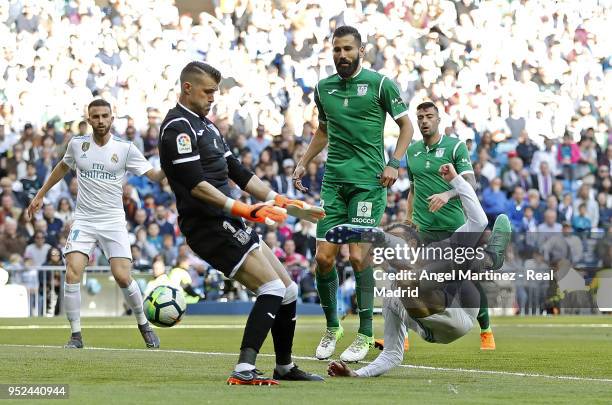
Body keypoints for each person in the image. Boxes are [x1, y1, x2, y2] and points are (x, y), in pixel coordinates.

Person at [158, 61, 323, 385]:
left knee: (288, 290)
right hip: (207, 224)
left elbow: (239, 173)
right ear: (187, 88)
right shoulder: (177, 127)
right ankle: (244, 368)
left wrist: (284, 203)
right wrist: (244, 210)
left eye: (215, 93)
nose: (212, 98)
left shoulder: (208, 126)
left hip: (227, 219)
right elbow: (196, 185)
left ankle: (285, 367)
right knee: (272, 287)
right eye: (207, 92)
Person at [292, 25, 414, 362]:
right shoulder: (323, 88)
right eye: (337, 50)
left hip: (368, 183)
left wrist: (395, 162)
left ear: (361, 51)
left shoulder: (380, 85)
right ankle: (333, 327)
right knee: (323, 259)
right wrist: (304, 162)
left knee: (359, 256)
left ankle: (364, 333)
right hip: (334, 183)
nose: (342, 55)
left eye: (348, 49)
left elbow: (407, 126)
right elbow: (324, 129)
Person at [325, 164, 511, 378]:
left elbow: (479, 221)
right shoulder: (392, 298)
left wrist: (456, 181)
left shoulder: (437, 251)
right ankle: (490, 259)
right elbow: (392, 355)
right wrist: (357, 374)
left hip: (462, 305)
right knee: (408, 279)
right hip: (438, 324)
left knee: (442, 258)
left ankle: (490, 259)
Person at [27, 99, 166, 350]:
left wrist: (169, 164)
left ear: (112, 119)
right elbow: (62, 166)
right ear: (88, 119)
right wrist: (40, 194)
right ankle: (76, 335)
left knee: (123, 276)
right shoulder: (77, 145)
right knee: (72, 272)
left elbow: (153, 176)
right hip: (84, 219)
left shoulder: (125, 148)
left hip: (113, 220)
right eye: (96, 116)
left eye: (105, 116)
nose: (101, 120)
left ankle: (143, 323)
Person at [405, 101, 496, 350]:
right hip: (424, 230)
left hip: (454, 227)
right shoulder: (411, 151)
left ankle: (486, 330)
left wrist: (447, 194)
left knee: (464, 280)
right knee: (410, 280)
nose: (424, 121)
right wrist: (408, 219)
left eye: (429, 116)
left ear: (438, 119)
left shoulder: (455, 146)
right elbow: (413, 189)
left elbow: (470, 182)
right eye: (420, 117)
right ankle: (400, 335)